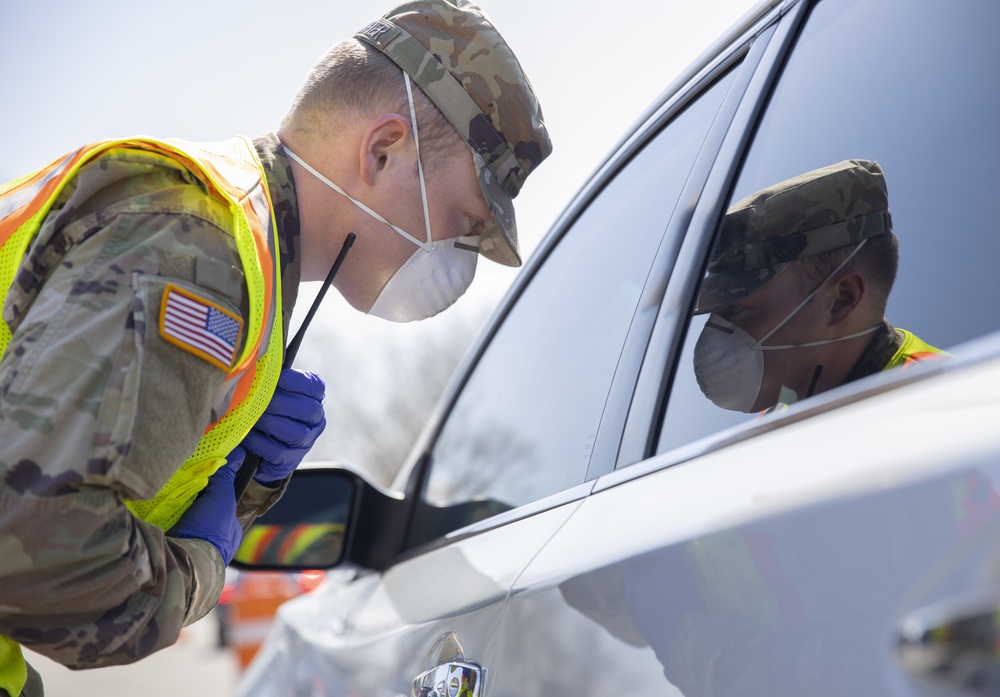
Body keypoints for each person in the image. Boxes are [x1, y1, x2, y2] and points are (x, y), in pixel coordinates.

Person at [0, 0, 552, 693]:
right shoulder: (196, 247)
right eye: (466, 222)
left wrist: (241, 485)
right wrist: (202, 565)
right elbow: (34, 550)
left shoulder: (241, 259)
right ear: (383, 150)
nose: (459, 257)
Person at [692, 159, 942, 414]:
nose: (715, 331)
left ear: (842, 298)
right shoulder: (779, 418)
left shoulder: (942, 404)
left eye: (735, 309)